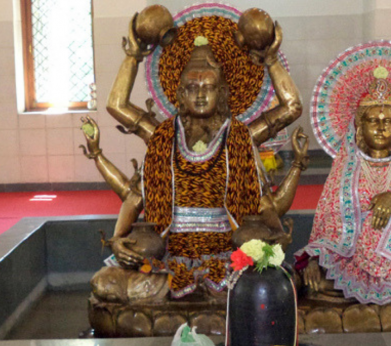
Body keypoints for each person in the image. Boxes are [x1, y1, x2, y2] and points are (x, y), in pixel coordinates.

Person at [81, 5, 304, 305]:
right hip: (169, 257)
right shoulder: (163, 136)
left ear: (223, 92)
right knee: (106, 284)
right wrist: (133, 56)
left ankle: (207, 298)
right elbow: (117, 107)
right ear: (180, 94)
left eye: (209, 86)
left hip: (229, 256)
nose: (200, 94)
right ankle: (210, 300)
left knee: (277, 282)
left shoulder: (239, 136)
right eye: (192, 86)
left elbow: (291, 108)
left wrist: (272, 60)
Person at [295, 41, 391, 333]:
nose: (380, 127)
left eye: (389, 121)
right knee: (303, 282)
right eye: (372, 121)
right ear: (357, 127)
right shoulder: (344, 171)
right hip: (346, 264)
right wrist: (314, 260)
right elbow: (328, 224)